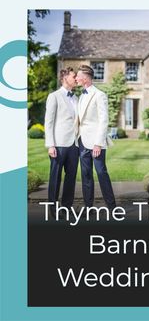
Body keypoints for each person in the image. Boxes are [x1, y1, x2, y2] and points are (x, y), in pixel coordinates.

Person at [75, 65, 116, 210]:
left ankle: (111, 207)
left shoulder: (99, 95)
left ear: (85, 78)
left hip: (95, 143)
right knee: (86, 175)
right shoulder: (81, 96)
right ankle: (88, 207)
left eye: (78, 76)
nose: (76, 78)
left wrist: (98, 143)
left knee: (101, 173)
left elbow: (103, 120)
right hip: (81, 141)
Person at [44, 67, 79, 218]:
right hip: (58, 144)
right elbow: (49, 121)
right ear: (65, 78)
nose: (76, 78)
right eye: (73, 76)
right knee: (55, 177)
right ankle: (53, 209)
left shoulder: (76, 98)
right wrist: (50, 144)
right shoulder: (54, 96)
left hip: (74, 145)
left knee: (71, 178)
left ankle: (66, 207)